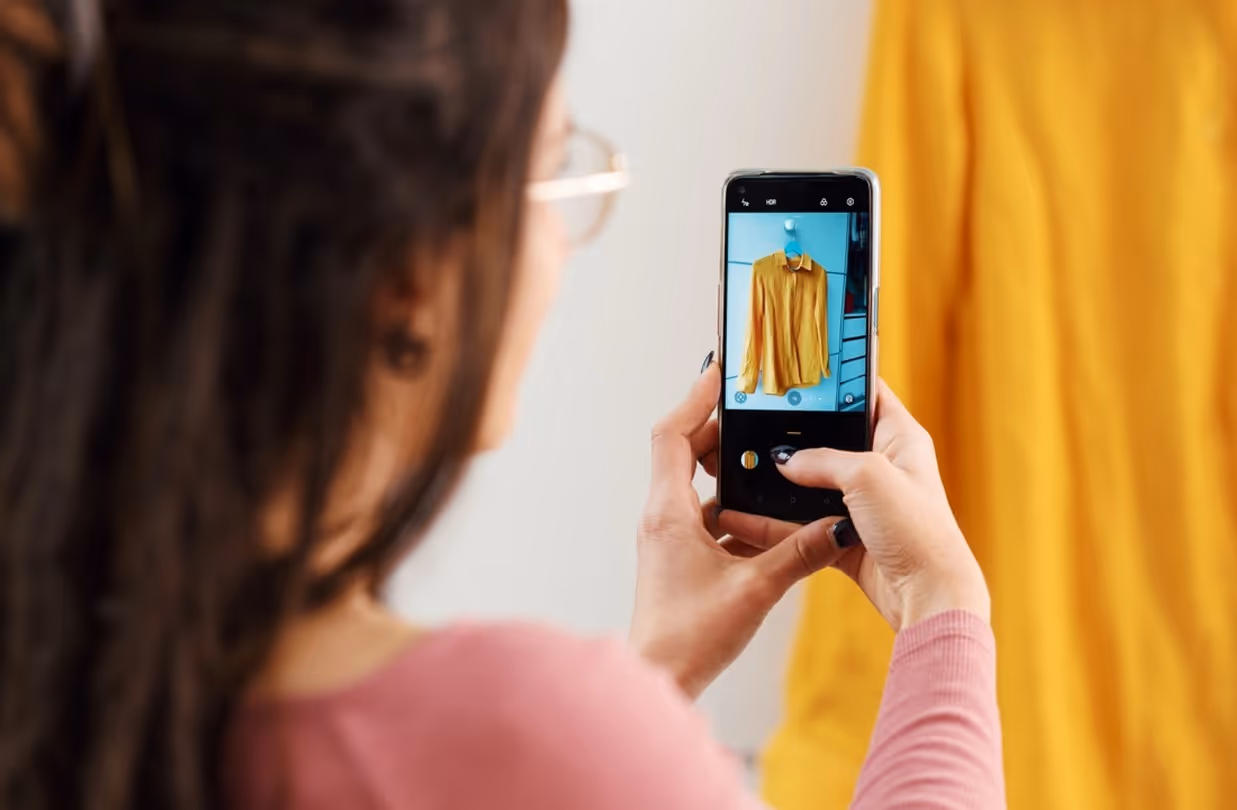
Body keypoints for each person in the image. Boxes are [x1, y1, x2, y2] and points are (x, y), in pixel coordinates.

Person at [0, 1, 1003, 808]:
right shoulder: (531, 737)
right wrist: (945, 610)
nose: (562, 244)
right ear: (409, 273)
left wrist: (644, 686)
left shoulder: (53, 680)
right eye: (554, 169)